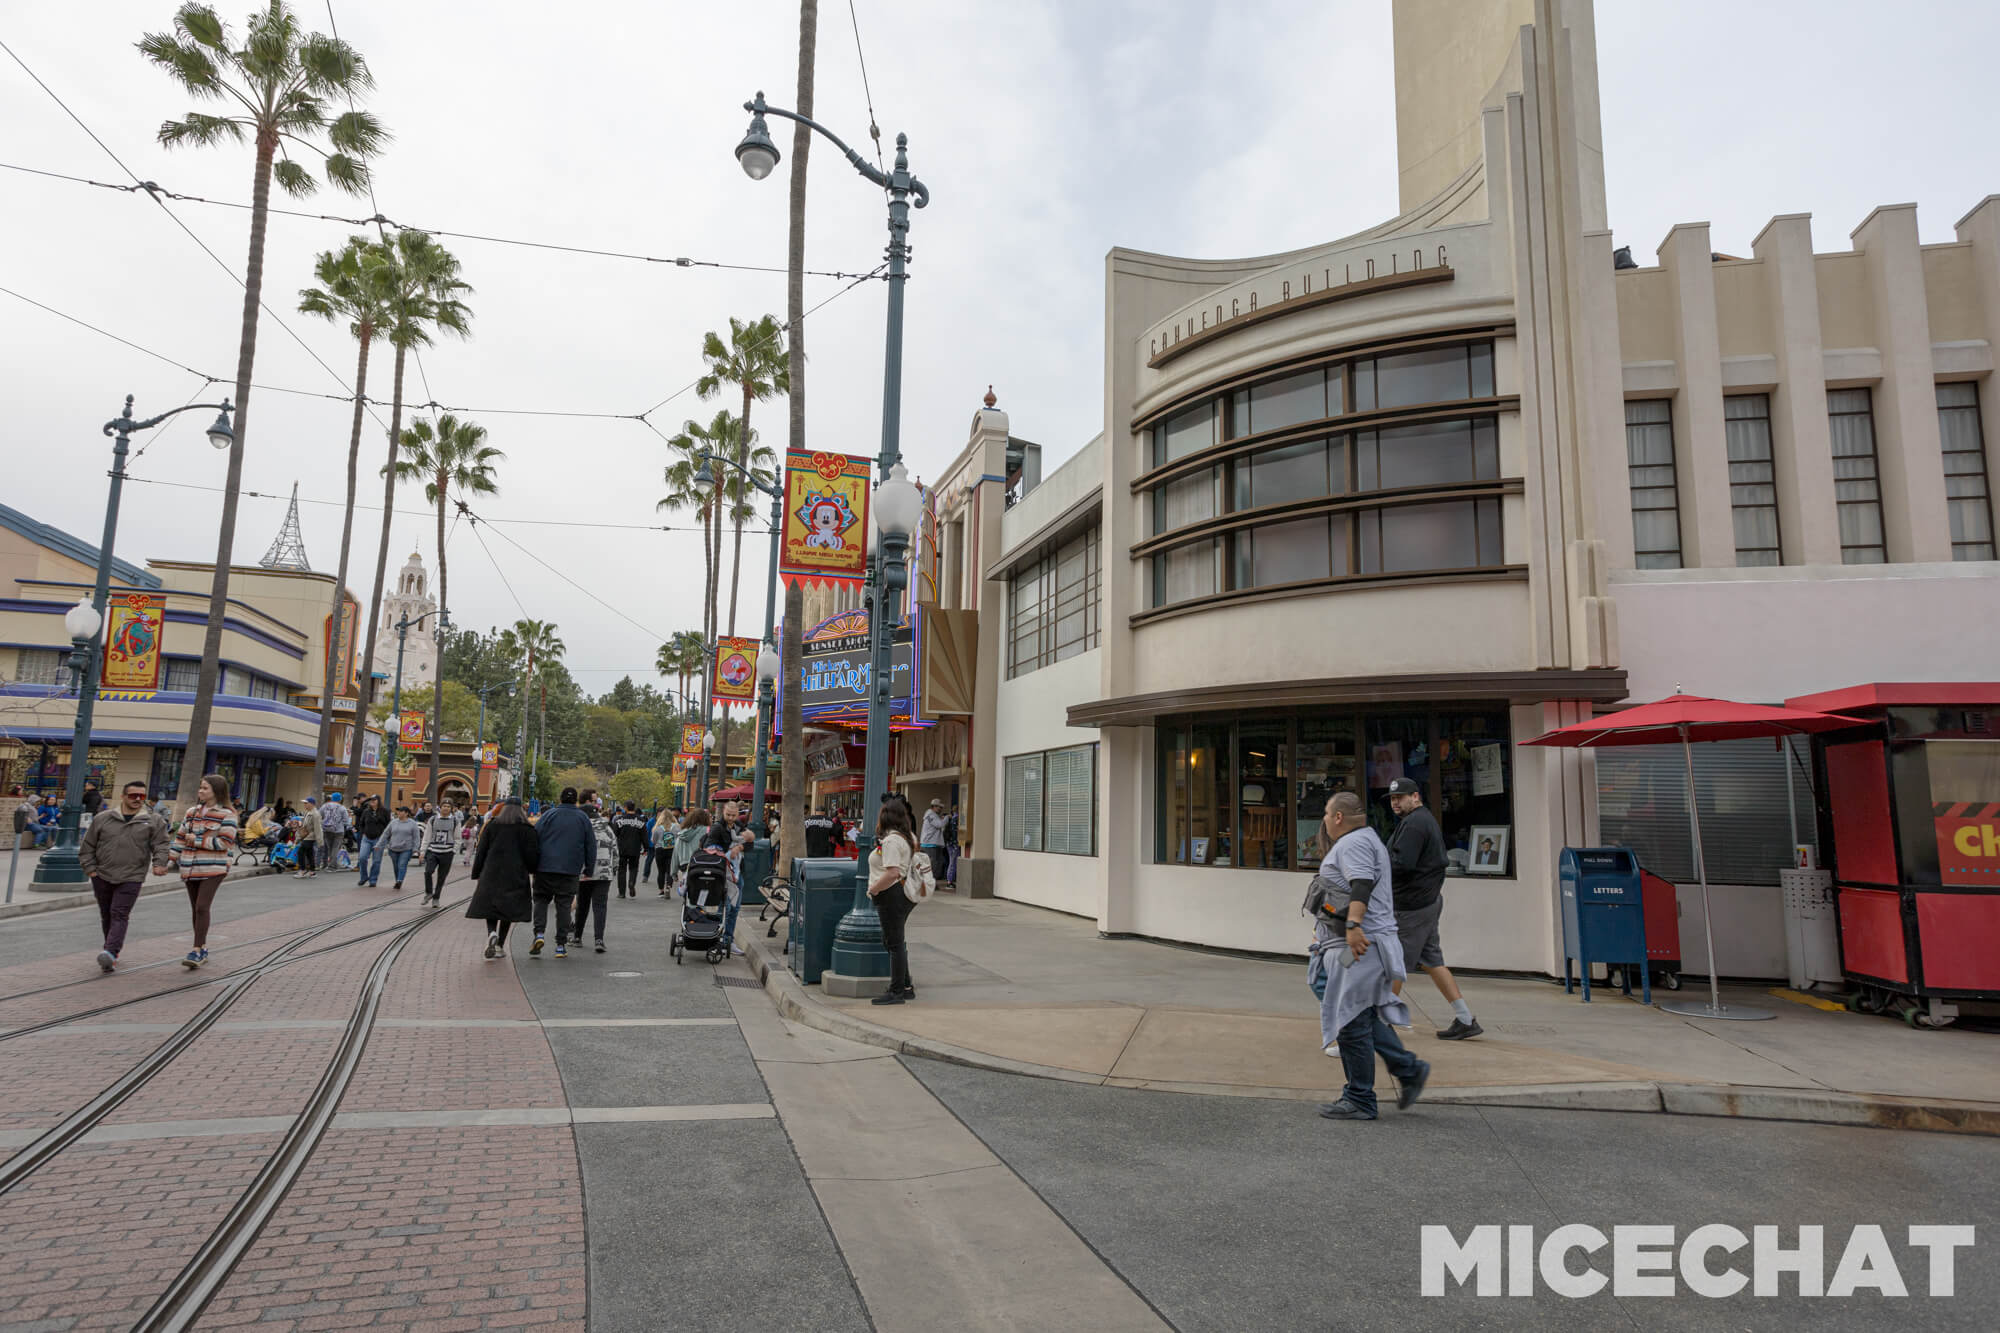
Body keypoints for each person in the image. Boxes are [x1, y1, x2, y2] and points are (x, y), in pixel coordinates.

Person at [1310, 791, 1429, 1122]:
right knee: (1347, 1005)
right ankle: (1408, 1070)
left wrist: (1352, 925)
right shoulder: (1363, 840)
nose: (1323, 819)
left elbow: (1362, 884)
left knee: (1350, 1017)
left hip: (1361, 946)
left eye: (1325, 813)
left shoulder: (1354, 844)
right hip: (1355, 945)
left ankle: (1360, 1097)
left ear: (1337, 818)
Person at [1386, 777, 1482, 1040]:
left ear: (1415, 797)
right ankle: (1465, 1018)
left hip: (1412, 906)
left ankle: (1380, 1021)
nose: (1396, 802)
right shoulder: (1420, 820)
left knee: (1395, 963)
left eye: (1400, 797)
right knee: (1432, 960)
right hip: (1427, 901)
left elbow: (1402, 864)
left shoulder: (1415, 824)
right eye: (1393, 799)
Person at [79, 778, 170, 972]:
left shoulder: (153, 820)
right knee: (106, 915)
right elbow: (88, 846)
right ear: (123, 796)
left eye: (141, 796)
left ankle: (110, 951)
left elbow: (161, 844)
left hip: (132, 876)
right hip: (102, 874)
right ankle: (110, 952)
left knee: (119, 913)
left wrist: (160, 863)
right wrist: (91, 870)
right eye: (133, 795)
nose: (137, 799)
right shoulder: (103, 818)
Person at [168, 773, 238, 968]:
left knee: (201, 907)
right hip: (190, 866)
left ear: (216, 791)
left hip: (214, 867)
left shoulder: (228, 814)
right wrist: (170, 859)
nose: (200, 791)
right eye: (200, 787)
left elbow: (225, 843)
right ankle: (202, 946)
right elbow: (180, 837)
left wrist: (197, 841)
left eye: (205, 788)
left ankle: (197, 950)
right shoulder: (192, 812)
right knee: (196, 908)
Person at [865, 798, 921, 1005]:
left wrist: (873, 889)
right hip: (903, 894)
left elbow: (892, 873)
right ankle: (905, 986)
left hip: (890, 894)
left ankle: (897, 991)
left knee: (894, 943)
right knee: (894, 941)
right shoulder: (908, 837)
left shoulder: (890, 841)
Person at [468, 795, 538, 959]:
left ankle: (492, 932)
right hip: (516, 873)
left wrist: (477, 872)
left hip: (492, 871)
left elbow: (482, 851)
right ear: (522, 809)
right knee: (509, 909)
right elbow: (532, 855)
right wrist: (533, 870)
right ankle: (499, 945)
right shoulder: (527, 829)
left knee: (490, 906)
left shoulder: (493, 825)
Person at [529, 786, 593, 958]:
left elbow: (534, 837)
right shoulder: (583, 818)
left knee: (541, 900)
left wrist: (533, 864)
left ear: (561, 798)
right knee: (564, 905)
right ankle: (560, 945)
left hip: (544, 867)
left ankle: (539, 933)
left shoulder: (548, 815)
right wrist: (589, 868)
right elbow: (590, 845)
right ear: (576, 800)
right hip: (570, 869)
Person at [705, 801, 752, 956]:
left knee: (735, 909)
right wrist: (728, 850)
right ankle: (716, 940)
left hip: (738, 873)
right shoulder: (718, 827)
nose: (731, 818)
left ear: (738, 814)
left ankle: (728, 941)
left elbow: (751, 844)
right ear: (723, 813)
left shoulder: (739, 826)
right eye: (728, 815)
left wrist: (740, 846)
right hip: (723, 874)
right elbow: (709, 847)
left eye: (733, 815)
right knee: (723, 908)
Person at [573, 795, 618, 953]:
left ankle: (577, 937)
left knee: (582, 904)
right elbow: (615, 849)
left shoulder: (579, 827)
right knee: (600, 906)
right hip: (604, 873)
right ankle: (599, 939)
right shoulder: (607, 827)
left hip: (584, 872)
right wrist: (613, 868)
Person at [421, 801, 462, 905]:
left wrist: (454, 851)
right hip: (433, 851)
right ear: (440, 807)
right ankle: (429, 892)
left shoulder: (455, 821)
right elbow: (427, 836)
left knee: (441, 877)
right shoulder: (433, 819)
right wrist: (422, 851)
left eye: (448, 806)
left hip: (447, 853)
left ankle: (436, 898)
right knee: (428, 872)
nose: (446, 808)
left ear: (451, 808)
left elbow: (458, 838)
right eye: (444, 806)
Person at [381, 804, 423, 889]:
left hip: (406, 849)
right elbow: (386, 834)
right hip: (393, 848)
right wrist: (379, 844)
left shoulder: (412, 823)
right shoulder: (393, 822)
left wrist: (415, 848)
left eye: (401, 811)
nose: (398, 812)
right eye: (398, 811)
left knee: (402, 865)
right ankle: (398, 880)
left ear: (406, 813)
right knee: (396, 867)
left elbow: (416, 837)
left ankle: (399, 880)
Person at [611, 801, 646, 899]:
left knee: (621, 870)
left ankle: (622, 892)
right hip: (635, 848)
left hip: (622, 848)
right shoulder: (641, 820)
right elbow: (644, 835)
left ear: (625, 808)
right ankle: (631, 883)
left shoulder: (619, 820)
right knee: (633, 868)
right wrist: (646, 848)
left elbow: (614, 834)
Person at [671, 808, 710, 898]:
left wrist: (673, 873)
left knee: (688, 892)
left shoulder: (681, 834)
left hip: (685, 867)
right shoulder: (708, 831)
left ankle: (689, 907)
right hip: (703, 865)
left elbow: (675, 855)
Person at [353, 795, 390, 885]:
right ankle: (364, 877)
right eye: (370, 800)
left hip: (379, 839)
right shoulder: (366, 811)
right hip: (367, 838)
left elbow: (388, 825)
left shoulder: (384, 811)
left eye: (374, 800)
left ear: (379, 801)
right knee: (362, 858)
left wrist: (385, 837)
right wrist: (363, 833)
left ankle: (373, 879)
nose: (372, 801)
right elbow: (361, 824)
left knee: (376, 860)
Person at [919, 798, 950, 886]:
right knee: (933, 865)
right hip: (930, 844)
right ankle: (928, 884)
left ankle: (930, 883)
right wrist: (947, 817)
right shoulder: (931, 815)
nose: (941, 809)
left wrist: (941, 818)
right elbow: (940, 824)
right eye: (939, 807)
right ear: (934, 807)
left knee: (935, 864)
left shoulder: (932, 815)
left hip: (932, 844)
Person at [319, 792, 351, 870]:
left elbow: (320, 816)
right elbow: (346, 821)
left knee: (330, 848)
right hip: (338, 831)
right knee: (335, 848)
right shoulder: (342, 808)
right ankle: (332, 866)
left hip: (326, 830)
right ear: (340, 799)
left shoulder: (324, 806)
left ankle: (333, 864)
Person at [295, 798, 322, 878]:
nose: (305, 805)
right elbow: (304, 825)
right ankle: (312, 871)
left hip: (311, 836)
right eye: (304, 803)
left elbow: (318, 828)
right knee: (309, 853)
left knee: (300, 851)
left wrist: (320, 841)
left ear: (312, 804)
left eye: (306, 803)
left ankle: (302, 870)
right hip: (306, 835)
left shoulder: (316, 814)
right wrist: (299, 837)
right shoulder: (307, 812)